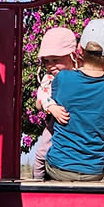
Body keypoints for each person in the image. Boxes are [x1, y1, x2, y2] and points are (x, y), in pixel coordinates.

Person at [43, 17, 104, 181]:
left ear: (80, 49)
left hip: (59, 167)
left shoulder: (63, 79)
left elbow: (44, 101)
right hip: (93, 171)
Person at [27, 26, 79, 182]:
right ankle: (37, 182)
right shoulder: (49, 78)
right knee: (41, 153)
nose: (50, 65)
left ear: (72, 56)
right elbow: (42, 95)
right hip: (54, 124)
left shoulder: (82, 71)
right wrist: (51, 107)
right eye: (46, 61)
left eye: (56, 60)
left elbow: (99, 67)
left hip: (77, 124)